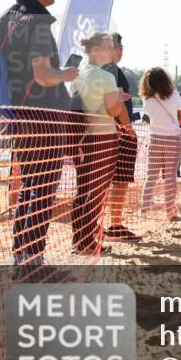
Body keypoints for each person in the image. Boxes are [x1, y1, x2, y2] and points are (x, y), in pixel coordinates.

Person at [0, 0, 79, 270]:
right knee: (42, 191)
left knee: (29, 186)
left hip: (14, 116)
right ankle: (33, 263)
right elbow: (43, 75)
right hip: (44, 118)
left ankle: (22, 258)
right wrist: (67, 74)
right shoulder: (37, 20)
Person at [70, 32, 127, 254]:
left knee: (82, 189)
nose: (111, 51)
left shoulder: (76, 74)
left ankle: (79, 240)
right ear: (96, 50)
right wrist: (119, 102)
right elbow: (113, 109)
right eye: (108, 47)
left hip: (80, 139)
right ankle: (87, 242)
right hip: (102, 137)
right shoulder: (106, 77)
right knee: (96, 192)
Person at [103, 33, 138, 238]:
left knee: (114, 181)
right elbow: (115, 103)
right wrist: (128, 129)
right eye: (120, 45)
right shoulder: (111, 71)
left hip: (112, 131)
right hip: (118, 132)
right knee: (119, 180)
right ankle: (115, 224)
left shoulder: (105, 71)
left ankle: (113, 224)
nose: (122, 49)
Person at [139, 67, 181, 222]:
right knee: (170, 176)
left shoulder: (147, 98)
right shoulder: (175, 95)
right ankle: (169, 211)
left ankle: (144, 208)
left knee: (151, 175)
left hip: (154, 137)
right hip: (172, 137)